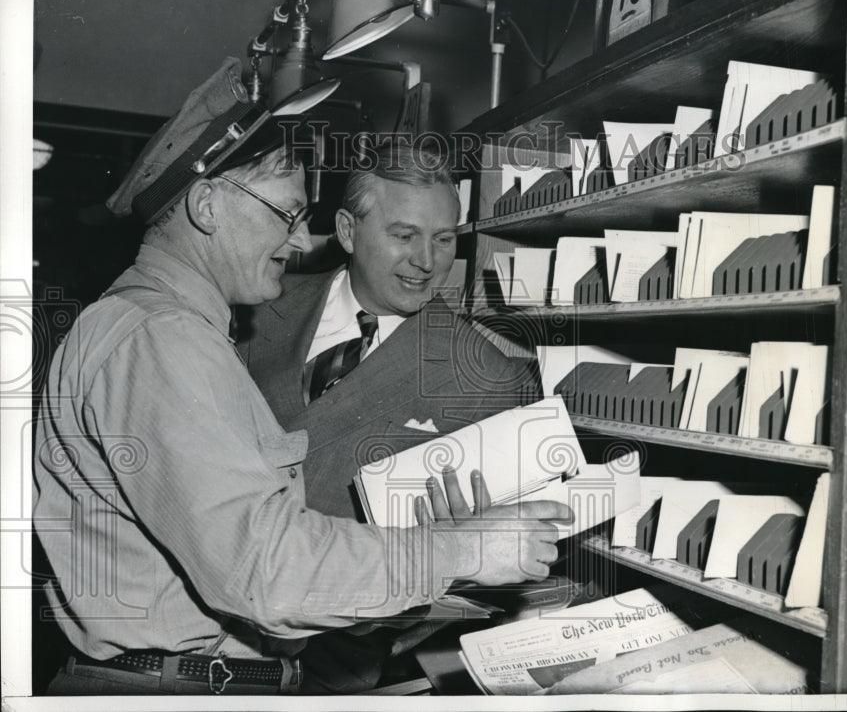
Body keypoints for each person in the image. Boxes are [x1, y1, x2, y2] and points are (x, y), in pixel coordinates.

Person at [32, 57, 571, 696]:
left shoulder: (154, 323)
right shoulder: (163, 337)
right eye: (285, 214)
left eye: (446, 238)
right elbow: (264, 568)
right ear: (206, 206)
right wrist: (465, 551)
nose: (295, 243)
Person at [235, 139, 545, 692]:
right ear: (349, 232)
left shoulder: (490, 376)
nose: (427, 262)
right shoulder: (257, 307)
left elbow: (497, 578)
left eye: (444, 239)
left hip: (333, 664)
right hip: (199, 630)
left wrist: (450, 557)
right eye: (404, 236)